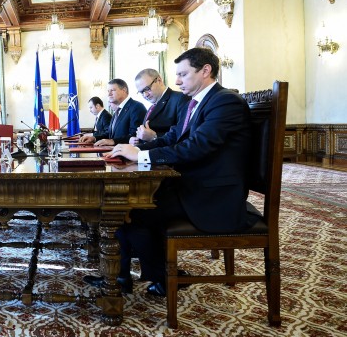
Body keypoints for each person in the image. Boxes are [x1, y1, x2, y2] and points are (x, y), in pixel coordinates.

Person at [83, 48, 258, 296]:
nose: (176, 81)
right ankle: (140, 277)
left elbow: (197, 146)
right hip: (191, 185)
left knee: (129, 214)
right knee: (125, 207)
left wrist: (141, 156)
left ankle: (163, 278)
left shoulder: (225, 101)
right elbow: (171, 138)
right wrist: (133, 149)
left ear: (205, 70)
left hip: (213, 196)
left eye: (183, 74)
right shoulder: (194, 103)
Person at [78, 79, 146, 146]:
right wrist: (94, 138)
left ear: (124, 90)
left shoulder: (136, 107)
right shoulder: (118, 111)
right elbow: (110, 134)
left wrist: (113, 141)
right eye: (108, 91)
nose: (109, 94)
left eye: (112, 90)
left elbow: (135, 136)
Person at [129, 68, 188, 145]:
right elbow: (146, 134)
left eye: (147, 89)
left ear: (159, 80)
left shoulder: (180, 98)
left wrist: (154, 137)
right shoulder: (151, 108)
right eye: (141, 92)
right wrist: (137, 140)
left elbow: (183, 137)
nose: (145, 95)